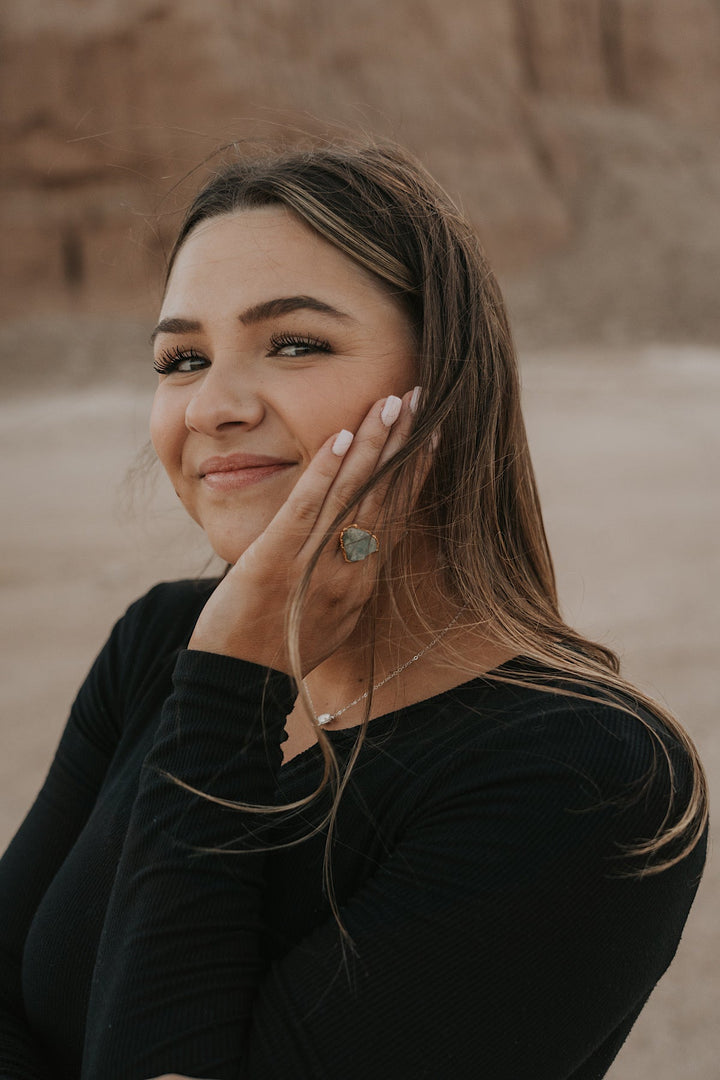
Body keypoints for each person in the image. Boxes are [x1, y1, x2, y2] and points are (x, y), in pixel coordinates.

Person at [0, 141, 708, 1080]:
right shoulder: (161, 642)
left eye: (294, 343)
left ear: (446, 386)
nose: (212, 404)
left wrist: (230, 693)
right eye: (181, 358)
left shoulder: (587, 780)